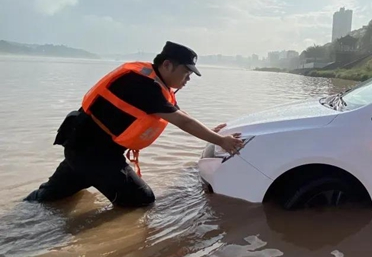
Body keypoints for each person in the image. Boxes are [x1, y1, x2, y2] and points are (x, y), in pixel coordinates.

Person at [25, 41, 245, 208]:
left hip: (85, 147)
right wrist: (220, 141)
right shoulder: (142, 84)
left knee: (46, 199)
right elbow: (181, 121)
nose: (188, 79)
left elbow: (178, 114)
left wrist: (209, 133)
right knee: (141, 201)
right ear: (167, 65)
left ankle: (26, 215)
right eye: (186, 72)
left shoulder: (155, 82)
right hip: (93, 153)